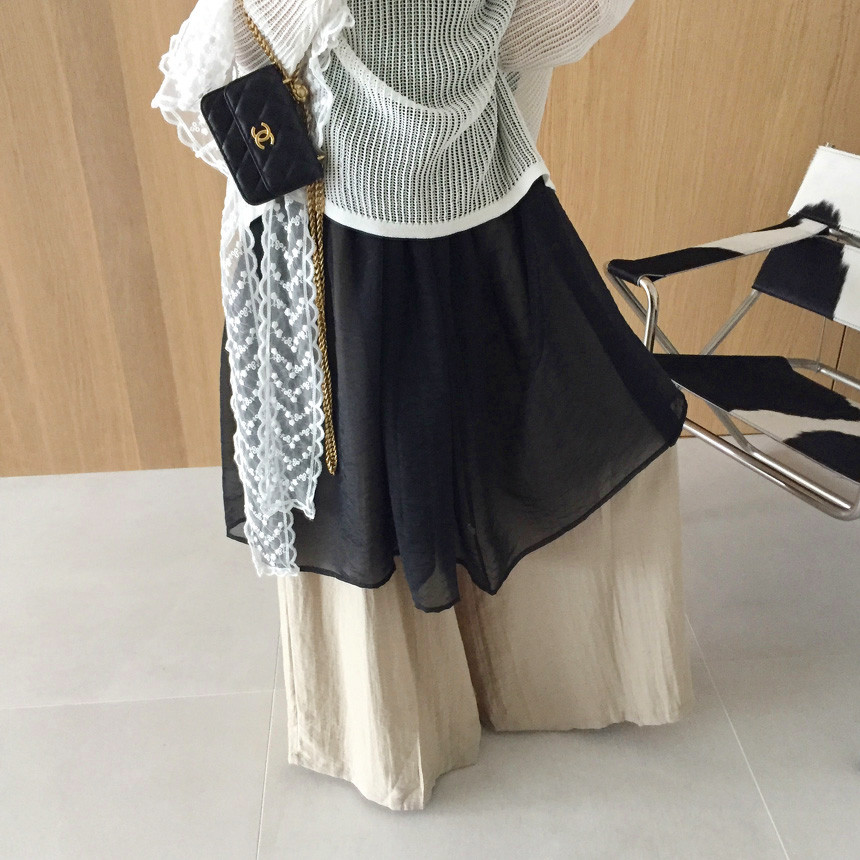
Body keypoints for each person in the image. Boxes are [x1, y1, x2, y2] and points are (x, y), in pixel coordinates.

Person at [155, 0, 694, 811]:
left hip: (343, 219)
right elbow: (571, 18)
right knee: (505, 428)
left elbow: (209, 64)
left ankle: (395, 730)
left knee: (375, 473)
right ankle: (548, 676)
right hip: (485, 202)